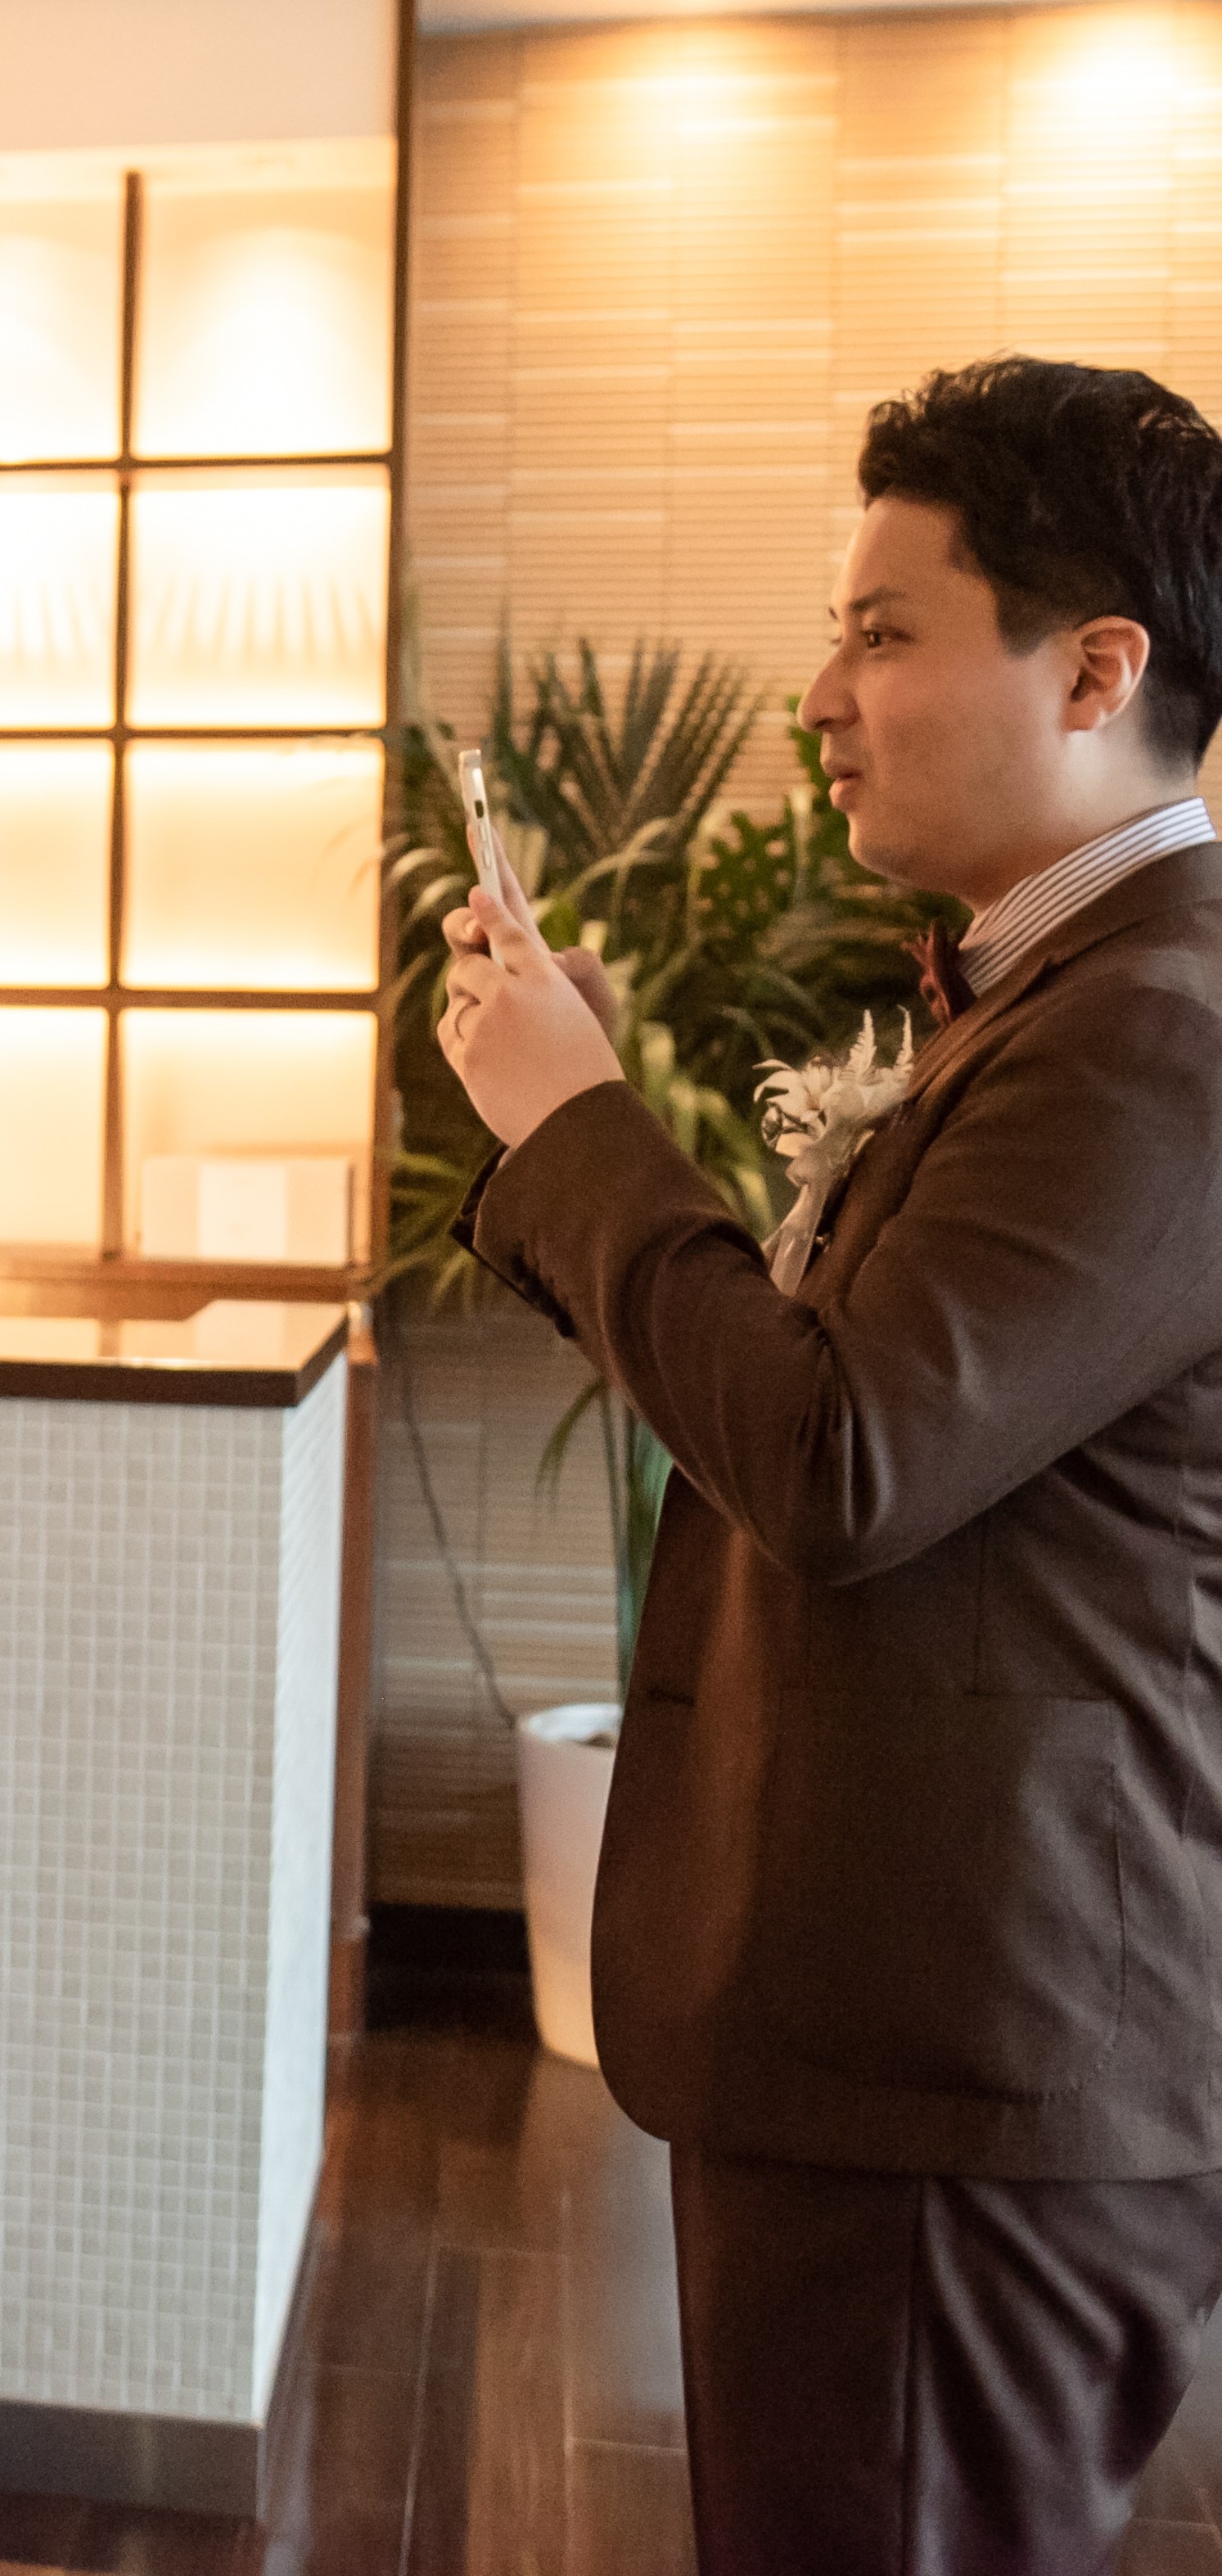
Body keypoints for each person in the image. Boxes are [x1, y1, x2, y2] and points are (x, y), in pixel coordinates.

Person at [435, 357, 1222, 2575]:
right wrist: (574, 1139)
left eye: (884, 631)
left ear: (1094, 671)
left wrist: (578, 1129)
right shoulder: (1054, 1000)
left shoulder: (1153, 1033)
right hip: (906, 2028)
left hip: (961, 2053)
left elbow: (838, 1457)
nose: (820, 697)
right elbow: (837, 1400)